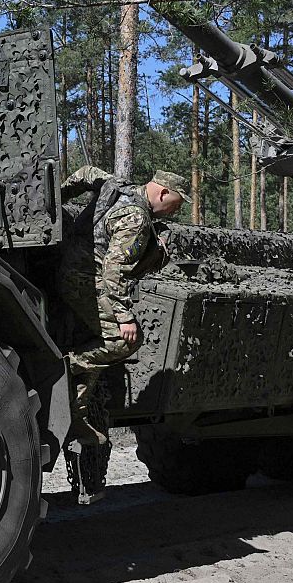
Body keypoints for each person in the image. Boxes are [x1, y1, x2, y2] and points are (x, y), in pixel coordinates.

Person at [57, 165, 186, 502]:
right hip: (84, 279)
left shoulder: (116, 185)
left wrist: (57, 197)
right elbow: (114, 274)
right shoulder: (137, 219)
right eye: (175, 203)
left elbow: (86, 173)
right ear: (161, 192)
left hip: (70, 264)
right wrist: (125, 317)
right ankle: (72, 364)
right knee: (122, 341)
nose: (176, 210)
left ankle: (78, 400)